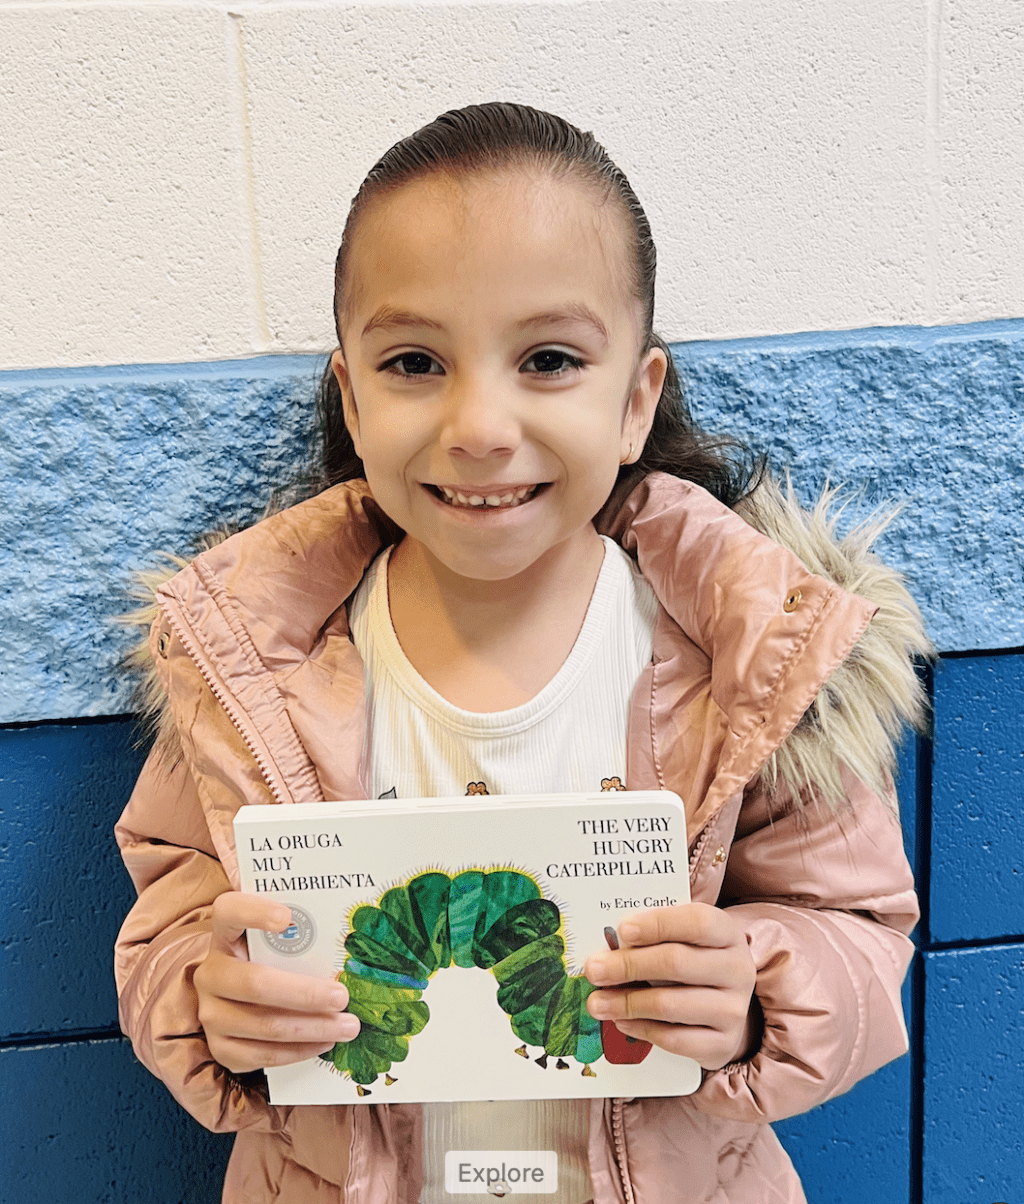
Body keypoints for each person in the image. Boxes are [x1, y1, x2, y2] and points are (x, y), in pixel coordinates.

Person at [115, 102, 929, 1204]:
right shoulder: (252, 665)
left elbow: (860, 932)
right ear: (351, 399)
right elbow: (171, 910)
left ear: (635, 400)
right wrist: (205, 1001)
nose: (480, 425)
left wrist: (752, 992)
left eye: (547, 358)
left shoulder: (752, 664)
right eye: (414, 361)